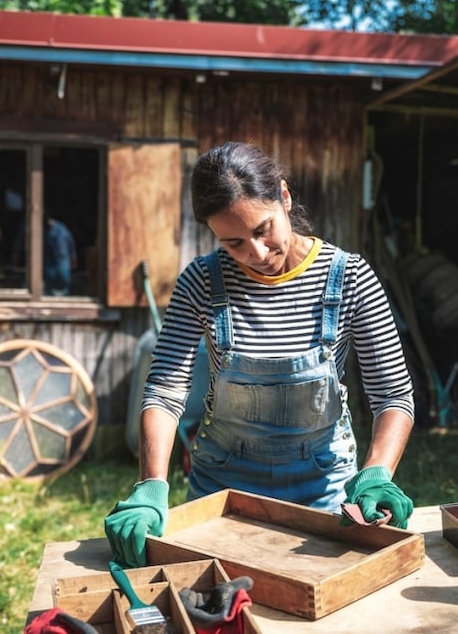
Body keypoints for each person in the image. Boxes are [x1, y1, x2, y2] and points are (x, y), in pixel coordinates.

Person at [104, 141, 416, 568]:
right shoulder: (201, 281)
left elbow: (393, 395)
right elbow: (164, 391)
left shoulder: (351, 278)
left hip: (324, 493)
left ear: (284, 198)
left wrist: (378, 470)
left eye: (263, 229)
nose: (257, 253)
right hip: (221, 493)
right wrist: (151, 485)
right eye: (233, 243)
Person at [43, 213, 77, 295]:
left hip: (62, 259)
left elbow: (70, 243)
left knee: (64, 281)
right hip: (50, 259)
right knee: (50, 281)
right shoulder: (45, 230)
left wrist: (73, 257)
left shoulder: (61, 229)